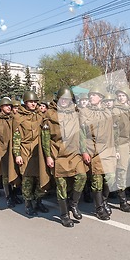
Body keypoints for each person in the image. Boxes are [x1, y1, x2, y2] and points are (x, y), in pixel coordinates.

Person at [42, 87, 87, 227]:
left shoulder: (76, 113)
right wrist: (48, 156)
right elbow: (45, 138)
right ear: (58, 99)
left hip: (74, 153)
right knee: (61, 186)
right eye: (62, 99)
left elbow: (82, 135)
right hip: (58, 154)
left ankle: (73, 204)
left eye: (67, 99)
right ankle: (64, 215)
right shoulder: (49, 115)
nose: (64, 102)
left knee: (82, 176)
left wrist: (84, 151)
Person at [79, 86, 117, 220]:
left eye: (94, 95)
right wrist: (84, 151)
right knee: (97, 180)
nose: (91, 97)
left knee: (110, 177)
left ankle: (104, 200)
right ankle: (99, 208)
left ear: (100, 98)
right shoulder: (84, 112)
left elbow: (114, 132)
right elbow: (82, 134)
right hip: (94, 150)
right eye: (90, 95)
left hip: (108, 150)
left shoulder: (108, 112)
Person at [12, 91, 50, 216]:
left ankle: (38, 202)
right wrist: (17, 154)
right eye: (30, 102)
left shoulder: (41, 115)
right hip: (25, 150)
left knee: (41, 178)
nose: (33, 104)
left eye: (35, 102)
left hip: (38, 151)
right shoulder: (18, 117)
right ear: (25, 102)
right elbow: (16, 136)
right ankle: (28, 204)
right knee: (27, 180)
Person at [0, 97, 22, 208]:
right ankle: (8, 197)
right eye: (6, 105)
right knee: (6, 175)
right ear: (1, 107)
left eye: (10, 106)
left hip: (13, 149)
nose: (9, 107)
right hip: (2, 151)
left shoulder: (14, 118)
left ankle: (15, 194)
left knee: (15, 172)